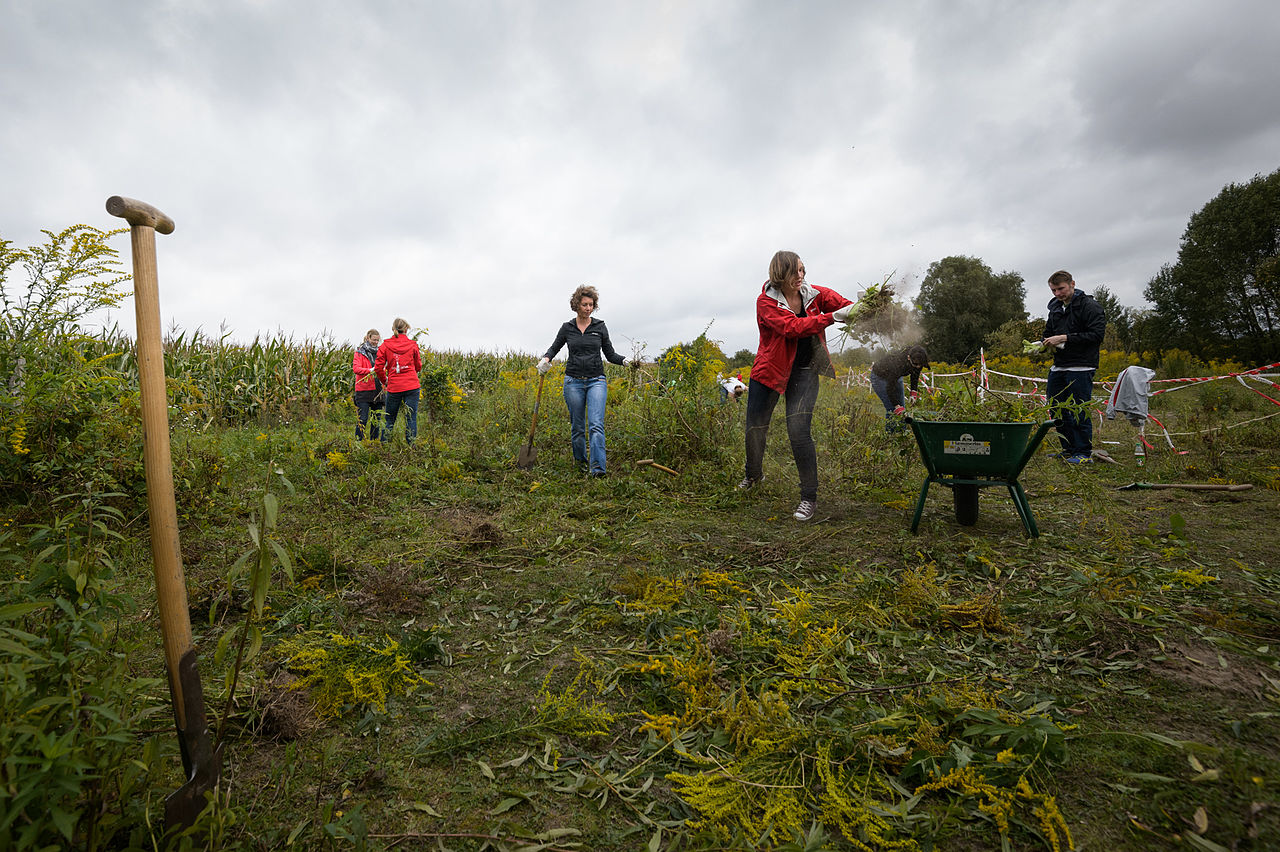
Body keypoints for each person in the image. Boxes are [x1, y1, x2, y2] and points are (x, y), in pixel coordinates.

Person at [741, 250, 855, 522]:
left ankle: (808, 497)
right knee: (756, 429)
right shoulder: (765, 302)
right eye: (795, 271)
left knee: (799, 433)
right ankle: (753, 475)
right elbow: (792, 328)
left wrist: (863, 309)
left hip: (804, 372)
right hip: (769, 372)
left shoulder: (815, 294)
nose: (801, 276)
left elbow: (845, 305)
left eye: (803, 270)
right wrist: (834, 317)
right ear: (780, 273)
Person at [538, 285, 631, 476]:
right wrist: (545, 359)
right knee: (577, 427)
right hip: (573, 382)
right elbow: (554, 348)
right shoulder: (567, 328)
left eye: (591, 305)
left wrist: (625, 361)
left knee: (596, 425)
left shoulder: (599, 327)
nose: (588, 308)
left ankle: (597, 470)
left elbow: (610, 354)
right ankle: (581, 464)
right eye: (584, 305)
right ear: (576, 305)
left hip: (596, 380)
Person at [1042, 270, 1106, 463]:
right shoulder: (1054, 308)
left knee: (1078, 409)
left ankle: (1083, 452)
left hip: (1082, 365)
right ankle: (1068, 449)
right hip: (1059, 365)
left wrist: (1065, 338)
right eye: (1053, 290)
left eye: (1060, 289)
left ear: (1072, 284)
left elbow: (1096, 335)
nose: (1057, 294)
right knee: (1056, 407)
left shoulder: (1090, 306)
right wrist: (1041, 344)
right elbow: (1048, 332)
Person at [374, 317, 422, 445]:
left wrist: (385, 381)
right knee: (411, 418)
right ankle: (411, 447)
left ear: (393, 329)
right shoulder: (412, 345)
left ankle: (384, 446)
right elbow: (418, 366)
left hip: (394, 386)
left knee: (389, 419)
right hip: (412, 386)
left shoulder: (385, 345)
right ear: (406, 329)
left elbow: (378, 367)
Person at [869, 345, 929, 433]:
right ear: (909, 358)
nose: (918, 367)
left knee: (902, 408)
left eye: (920, 365)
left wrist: (913, 392)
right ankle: (891, 436)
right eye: (915, 364)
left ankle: (901, 434)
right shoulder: (897, 363)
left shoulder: (918, 358)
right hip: (879, 377)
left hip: (896, 376)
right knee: (893, 409)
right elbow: (890, 388)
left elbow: (915, 375)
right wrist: (896, 405)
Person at [352, 328, 384, 440]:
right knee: (363, 419)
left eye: (377, 340)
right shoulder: (360, 352)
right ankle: (358, 442)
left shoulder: (380, 352)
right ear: (368, 338)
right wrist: (370, 370)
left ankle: (373, 444)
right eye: (374, 340)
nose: (375, 342)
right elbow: (356, 369)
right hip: (364, 390)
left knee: (376, 420)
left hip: (378, 390)